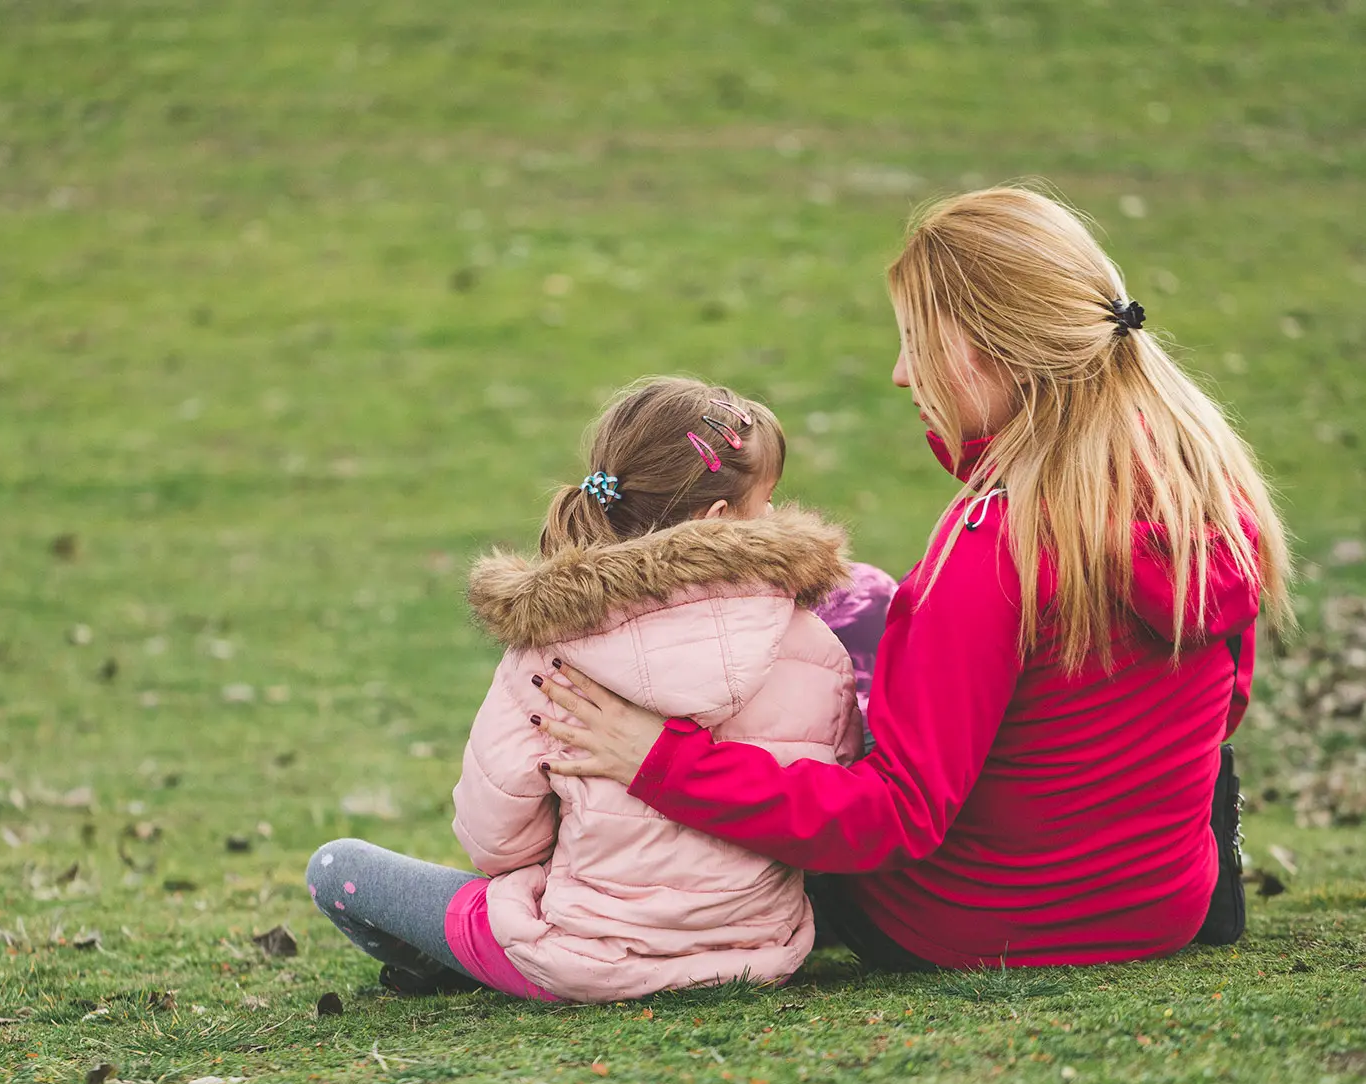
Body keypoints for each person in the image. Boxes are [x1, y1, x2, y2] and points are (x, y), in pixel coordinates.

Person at [532, 187, 1293, 970]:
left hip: (962, 923)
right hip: (1157, 906)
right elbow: (1222, 708)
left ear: (984, 349)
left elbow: (895, 817)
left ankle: (556, 911)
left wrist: (659, 761)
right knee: (860, 597)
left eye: (915, 341)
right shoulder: (1203, 493)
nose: (902, 374)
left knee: (832, 625)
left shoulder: (1001, 548)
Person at [307, 377, 887, 1001]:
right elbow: (828, 803)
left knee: (337, 868)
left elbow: (497, 841)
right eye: (768, 500)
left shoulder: (551, 652)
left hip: (583, 961)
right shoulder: (814, 646)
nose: (776, 516)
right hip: (764, 951)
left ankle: (451, 965)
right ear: (718, 521)